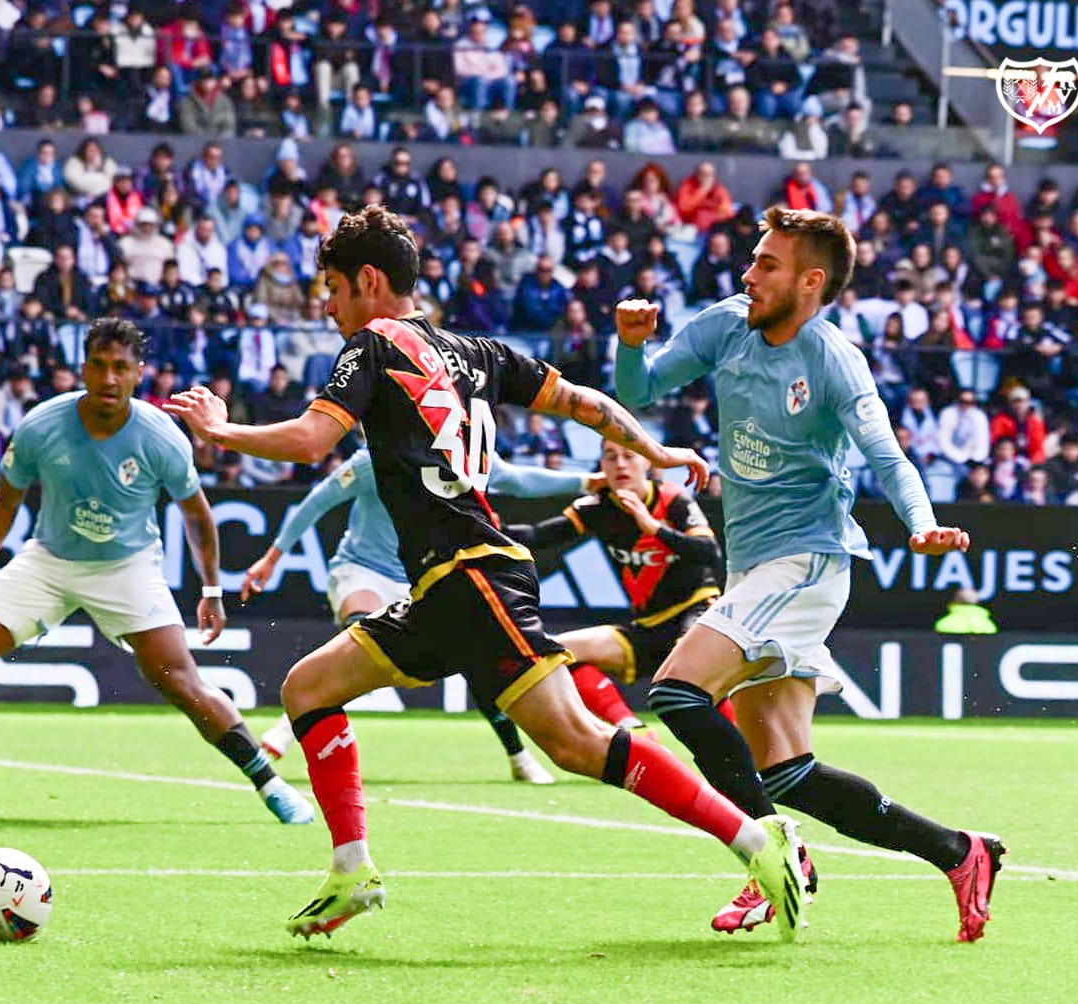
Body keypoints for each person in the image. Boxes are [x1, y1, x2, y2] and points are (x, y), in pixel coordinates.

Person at [166, 206, 804, 942]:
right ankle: (352, 872)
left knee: (573, 741)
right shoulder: (477, 351)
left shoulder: (372, 344)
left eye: (333, 286)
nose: (328, 303)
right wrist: (655, 454)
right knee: (309, 687)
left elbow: (314, 442)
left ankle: (760, 842)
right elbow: (585, 401)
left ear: (370, 281)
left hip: (471, 575)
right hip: (445, 586)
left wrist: (220, 430)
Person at [613, 206, 1002, 943]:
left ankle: (770, 853)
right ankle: (962, 853)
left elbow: (888, 457)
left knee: (676, 692)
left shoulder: (832, 359)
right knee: (788, 771)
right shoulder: (726, 324)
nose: (748, 274)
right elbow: (637, 393)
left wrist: (919, 524)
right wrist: (631, 346)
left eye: (766, 265)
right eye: (754, 261)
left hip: (808, 560)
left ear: (810, 281)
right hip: (753, 565)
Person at [0, 318, 313, 827]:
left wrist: (211, 589)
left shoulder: (160, 435)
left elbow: (197, 515)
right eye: (99, 365)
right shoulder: (41, 425)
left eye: (121, 367)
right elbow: (6, 504)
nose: (109, 378)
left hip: (128, 567)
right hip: (49, 560)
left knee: (180, 682)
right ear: (84, 367)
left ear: (138, 373)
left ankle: (271, 785)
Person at [241, 447, 599, 785]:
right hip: (360, 570)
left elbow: (519, 479)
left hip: (419, 580)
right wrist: (272, 558)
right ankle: (290, 727)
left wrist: (584, 482)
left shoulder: (467, 454)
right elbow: (318, 501)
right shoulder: (373, 460)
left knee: (477, 659)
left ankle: (518, 757)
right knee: (358, 632)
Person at [500, 440, 737, 739]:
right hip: (646, 627)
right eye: (610, 457)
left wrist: (654, 528)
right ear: (602, 465)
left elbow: (708, 552)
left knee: (693, 671)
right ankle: (632, 729)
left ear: (648, 462)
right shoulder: (598, 506)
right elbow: (538, 535)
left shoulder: (672, 499)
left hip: (694, 611)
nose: (620, 464)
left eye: (629, 455)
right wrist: (492, 528)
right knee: (561, 653)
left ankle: (740, 754)